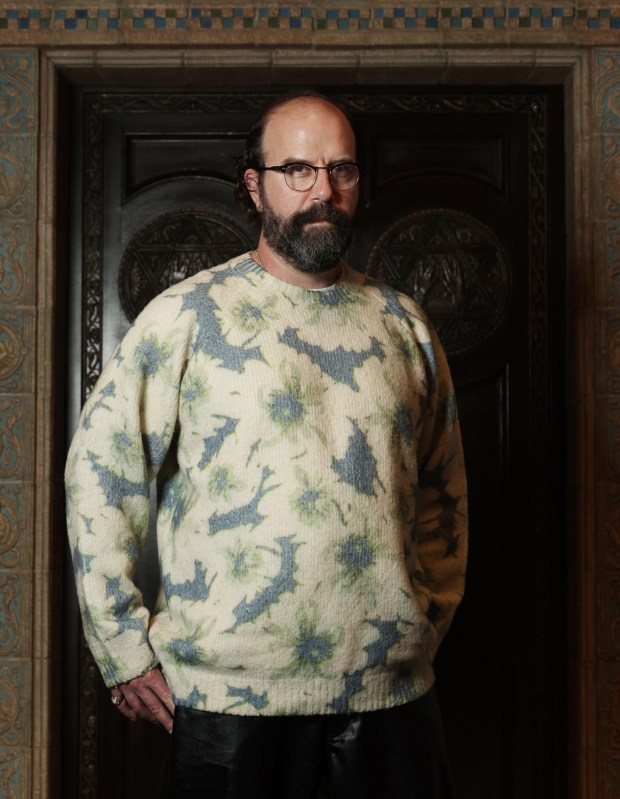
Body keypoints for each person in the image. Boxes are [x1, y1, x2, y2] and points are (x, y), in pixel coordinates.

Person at [65, 90, 468, 799]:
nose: (324, 191)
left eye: (341, 170)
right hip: (228, 708)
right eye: (298, 170)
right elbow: (102, 473)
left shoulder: (404, 325)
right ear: (255, 185)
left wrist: (420, 626)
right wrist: (122, 650)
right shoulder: (184, 319)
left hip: (390, 701)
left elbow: (446, 491)